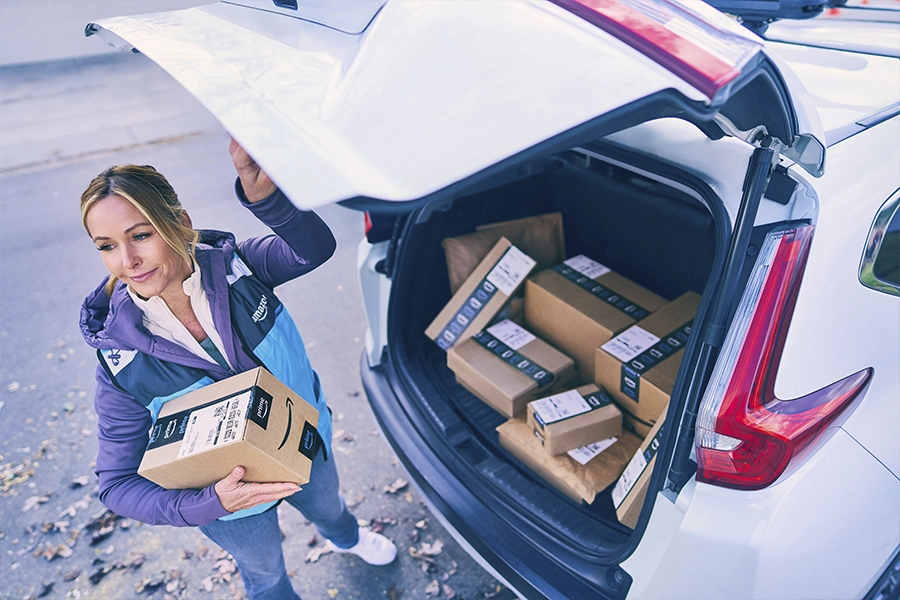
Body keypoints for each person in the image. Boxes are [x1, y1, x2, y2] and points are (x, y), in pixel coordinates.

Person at [78, 140, 396, 600]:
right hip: (231, 506)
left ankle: (346, 538)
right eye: (107, 246)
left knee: (330, 509)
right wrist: (208, 503)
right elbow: (116, 484)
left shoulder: (239, 269)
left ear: (180, 223)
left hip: (304, 444)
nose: (126, 261)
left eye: (141, 235)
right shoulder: (119, 363)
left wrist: (267, 199)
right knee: (265, 577)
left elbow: (313, 249)